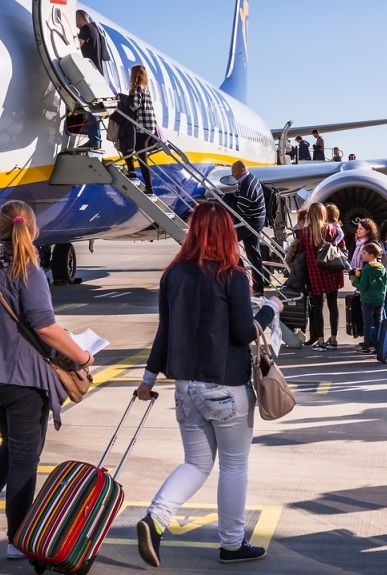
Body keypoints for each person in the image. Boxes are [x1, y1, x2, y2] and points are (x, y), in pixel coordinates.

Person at [133, 202, 279, 566]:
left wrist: (148, 379)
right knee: (233, 466)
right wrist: (271, 309)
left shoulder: (173, 275)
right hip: (226, 387)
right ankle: (232, 543)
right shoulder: (233, 275)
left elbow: (164, 333)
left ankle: (156, 519)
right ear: (227, 233)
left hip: (187, 389)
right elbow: (244, 333)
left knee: (196, 463)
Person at [0, 201, 94, 559]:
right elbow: (44, 326)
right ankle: (17, 539)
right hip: (22, 379)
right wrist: (82, 356)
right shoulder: (25, 267)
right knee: (24, 459)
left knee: (15, 447)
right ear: (32, 229)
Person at [298, 205, 343, 350]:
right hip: (331, 271)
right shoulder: (331, 229)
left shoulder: (305, 232)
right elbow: (341, 245)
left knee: (317, 307)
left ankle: (321, 341)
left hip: (315, 273)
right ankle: (333, 339)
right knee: (332, 305)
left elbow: (301, 251)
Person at [225, 161, 267, 296]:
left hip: (251, 221)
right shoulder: (250, 179)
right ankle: (258, 287)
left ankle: (240, 275)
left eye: (234, 172)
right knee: (253, 253)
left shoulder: (247, 185)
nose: (232, 175)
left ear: (242, 170)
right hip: (256, 219)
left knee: (226, 242)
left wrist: (227, 205)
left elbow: (240, 210)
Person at [74, 10, 109, 150]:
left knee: (91, 107)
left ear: (79, 18)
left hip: (90, 73)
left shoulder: (86, 29)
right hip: (98, 73)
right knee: (94, 108)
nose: (76, 25)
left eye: (76, 21)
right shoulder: (96, 30)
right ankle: (96, 140)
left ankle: (94, 140)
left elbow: (77, 45)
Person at [352, 243, 387, 355]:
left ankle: (366, 346)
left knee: (367, 323)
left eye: (364, 253)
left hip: (367, 300)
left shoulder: (366, 269)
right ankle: (379, 345)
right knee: (378, 323)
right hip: (380, 299)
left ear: (371, 255)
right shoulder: (382, 268)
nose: (361, 255)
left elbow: (363, 286)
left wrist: (355, 281)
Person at [128, 65, 159, 194]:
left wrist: (122, 104)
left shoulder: (138, 89)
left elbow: (135, 105)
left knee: (139, 155)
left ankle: (148, 187)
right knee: (142, 155)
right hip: (149, 127)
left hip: (142, 126)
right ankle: (145, 184)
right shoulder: (145, 89)